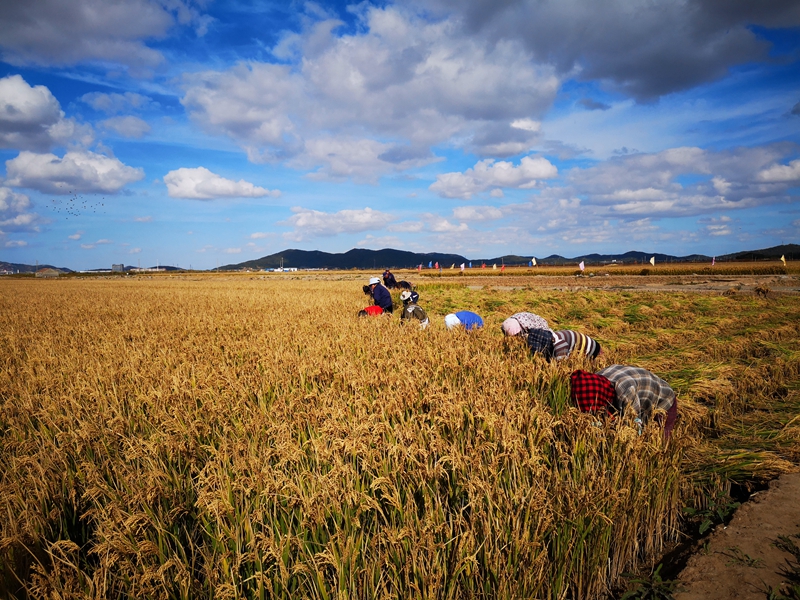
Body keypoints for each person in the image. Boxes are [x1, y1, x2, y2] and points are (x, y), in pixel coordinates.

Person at [528, 329, 602, 361]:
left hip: (591, 349)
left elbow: (562, 362)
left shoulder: (559, 344)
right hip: (581, 345)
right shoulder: (551, 337)